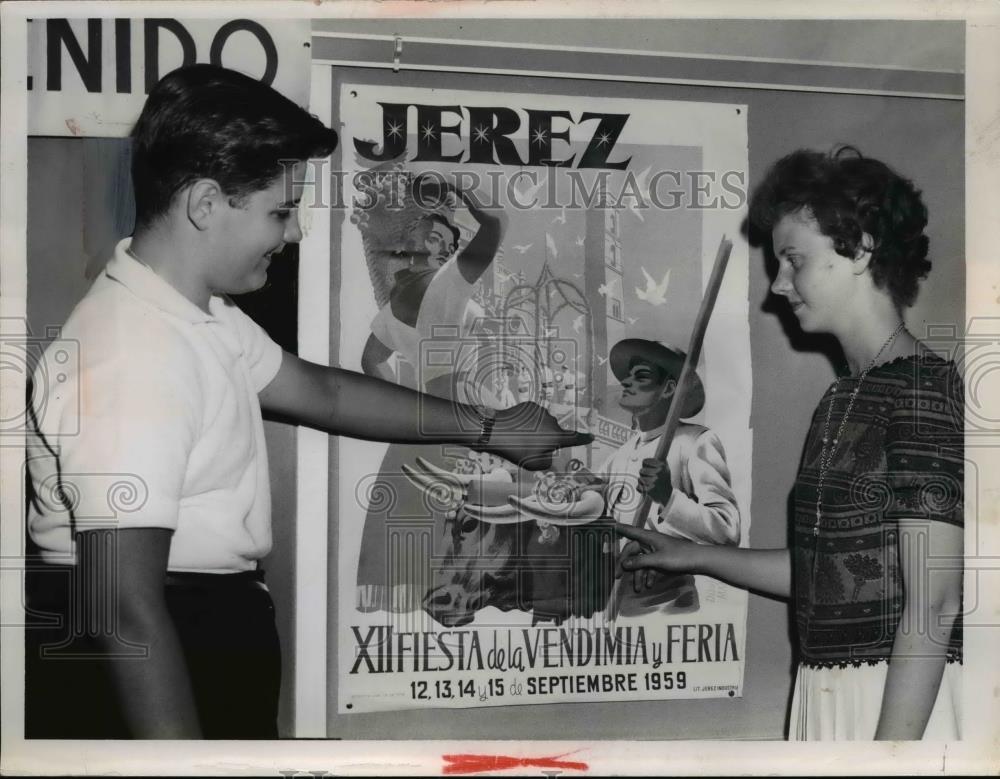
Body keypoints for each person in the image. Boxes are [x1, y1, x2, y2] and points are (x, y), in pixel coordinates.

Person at [24, 64, 588, 740]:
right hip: (159, 645)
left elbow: (321, 390)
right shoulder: (133, 351)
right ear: (206, 204)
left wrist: (491, 428)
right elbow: (121, 607)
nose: (292, 235)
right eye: (281, 211)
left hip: (202, 625)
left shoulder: (193, 317)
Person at [612, 147, 963, 740]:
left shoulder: (927, 392)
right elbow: (831, 574)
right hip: (826, 692)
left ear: (860, 248)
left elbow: (935, 604)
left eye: (792, 260)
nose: (778, 285)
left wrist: (888, 761)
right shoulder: (842, 400)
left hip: (896, 706)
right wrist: (690, 553)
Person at [597, 338, 741, 616]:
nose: (627, 382)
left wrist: (667, 497)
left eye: (641, 376)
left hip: (668, 601)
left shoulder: (696, 441)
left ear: (669, 389)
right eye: (628, 375)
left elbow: (727, 531)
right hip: (614, 599)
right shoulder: (619, 456)